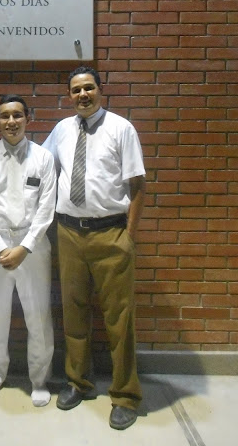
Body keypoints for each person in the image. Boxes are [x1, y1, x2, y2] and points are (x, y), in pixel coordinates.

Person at [43, 66, 146, 430]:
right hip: (69, 234)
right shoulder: (62, 129)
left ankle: (125, 395)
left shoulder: (121, 128)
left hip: (110, 235)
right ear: (69, 96)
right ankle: (79, 382)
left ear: (101, 90)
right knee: (73, 312)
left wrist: (128, 235)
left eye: (88, 88)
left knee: (119, 319)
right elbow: (38, 162)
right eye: (76, 90)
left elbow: (137, 185)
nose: (82, 95)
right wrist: (1, 145)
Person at [0, 94, 56, 407]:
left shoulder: (43, 158)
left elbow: (46, 208)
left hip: (33, 246)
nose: (11, 122)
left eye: (17, 115)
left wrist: (25, 247)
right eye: (5, 116)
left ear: (28, 119)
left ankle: (39, 379)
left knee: (38, 314)